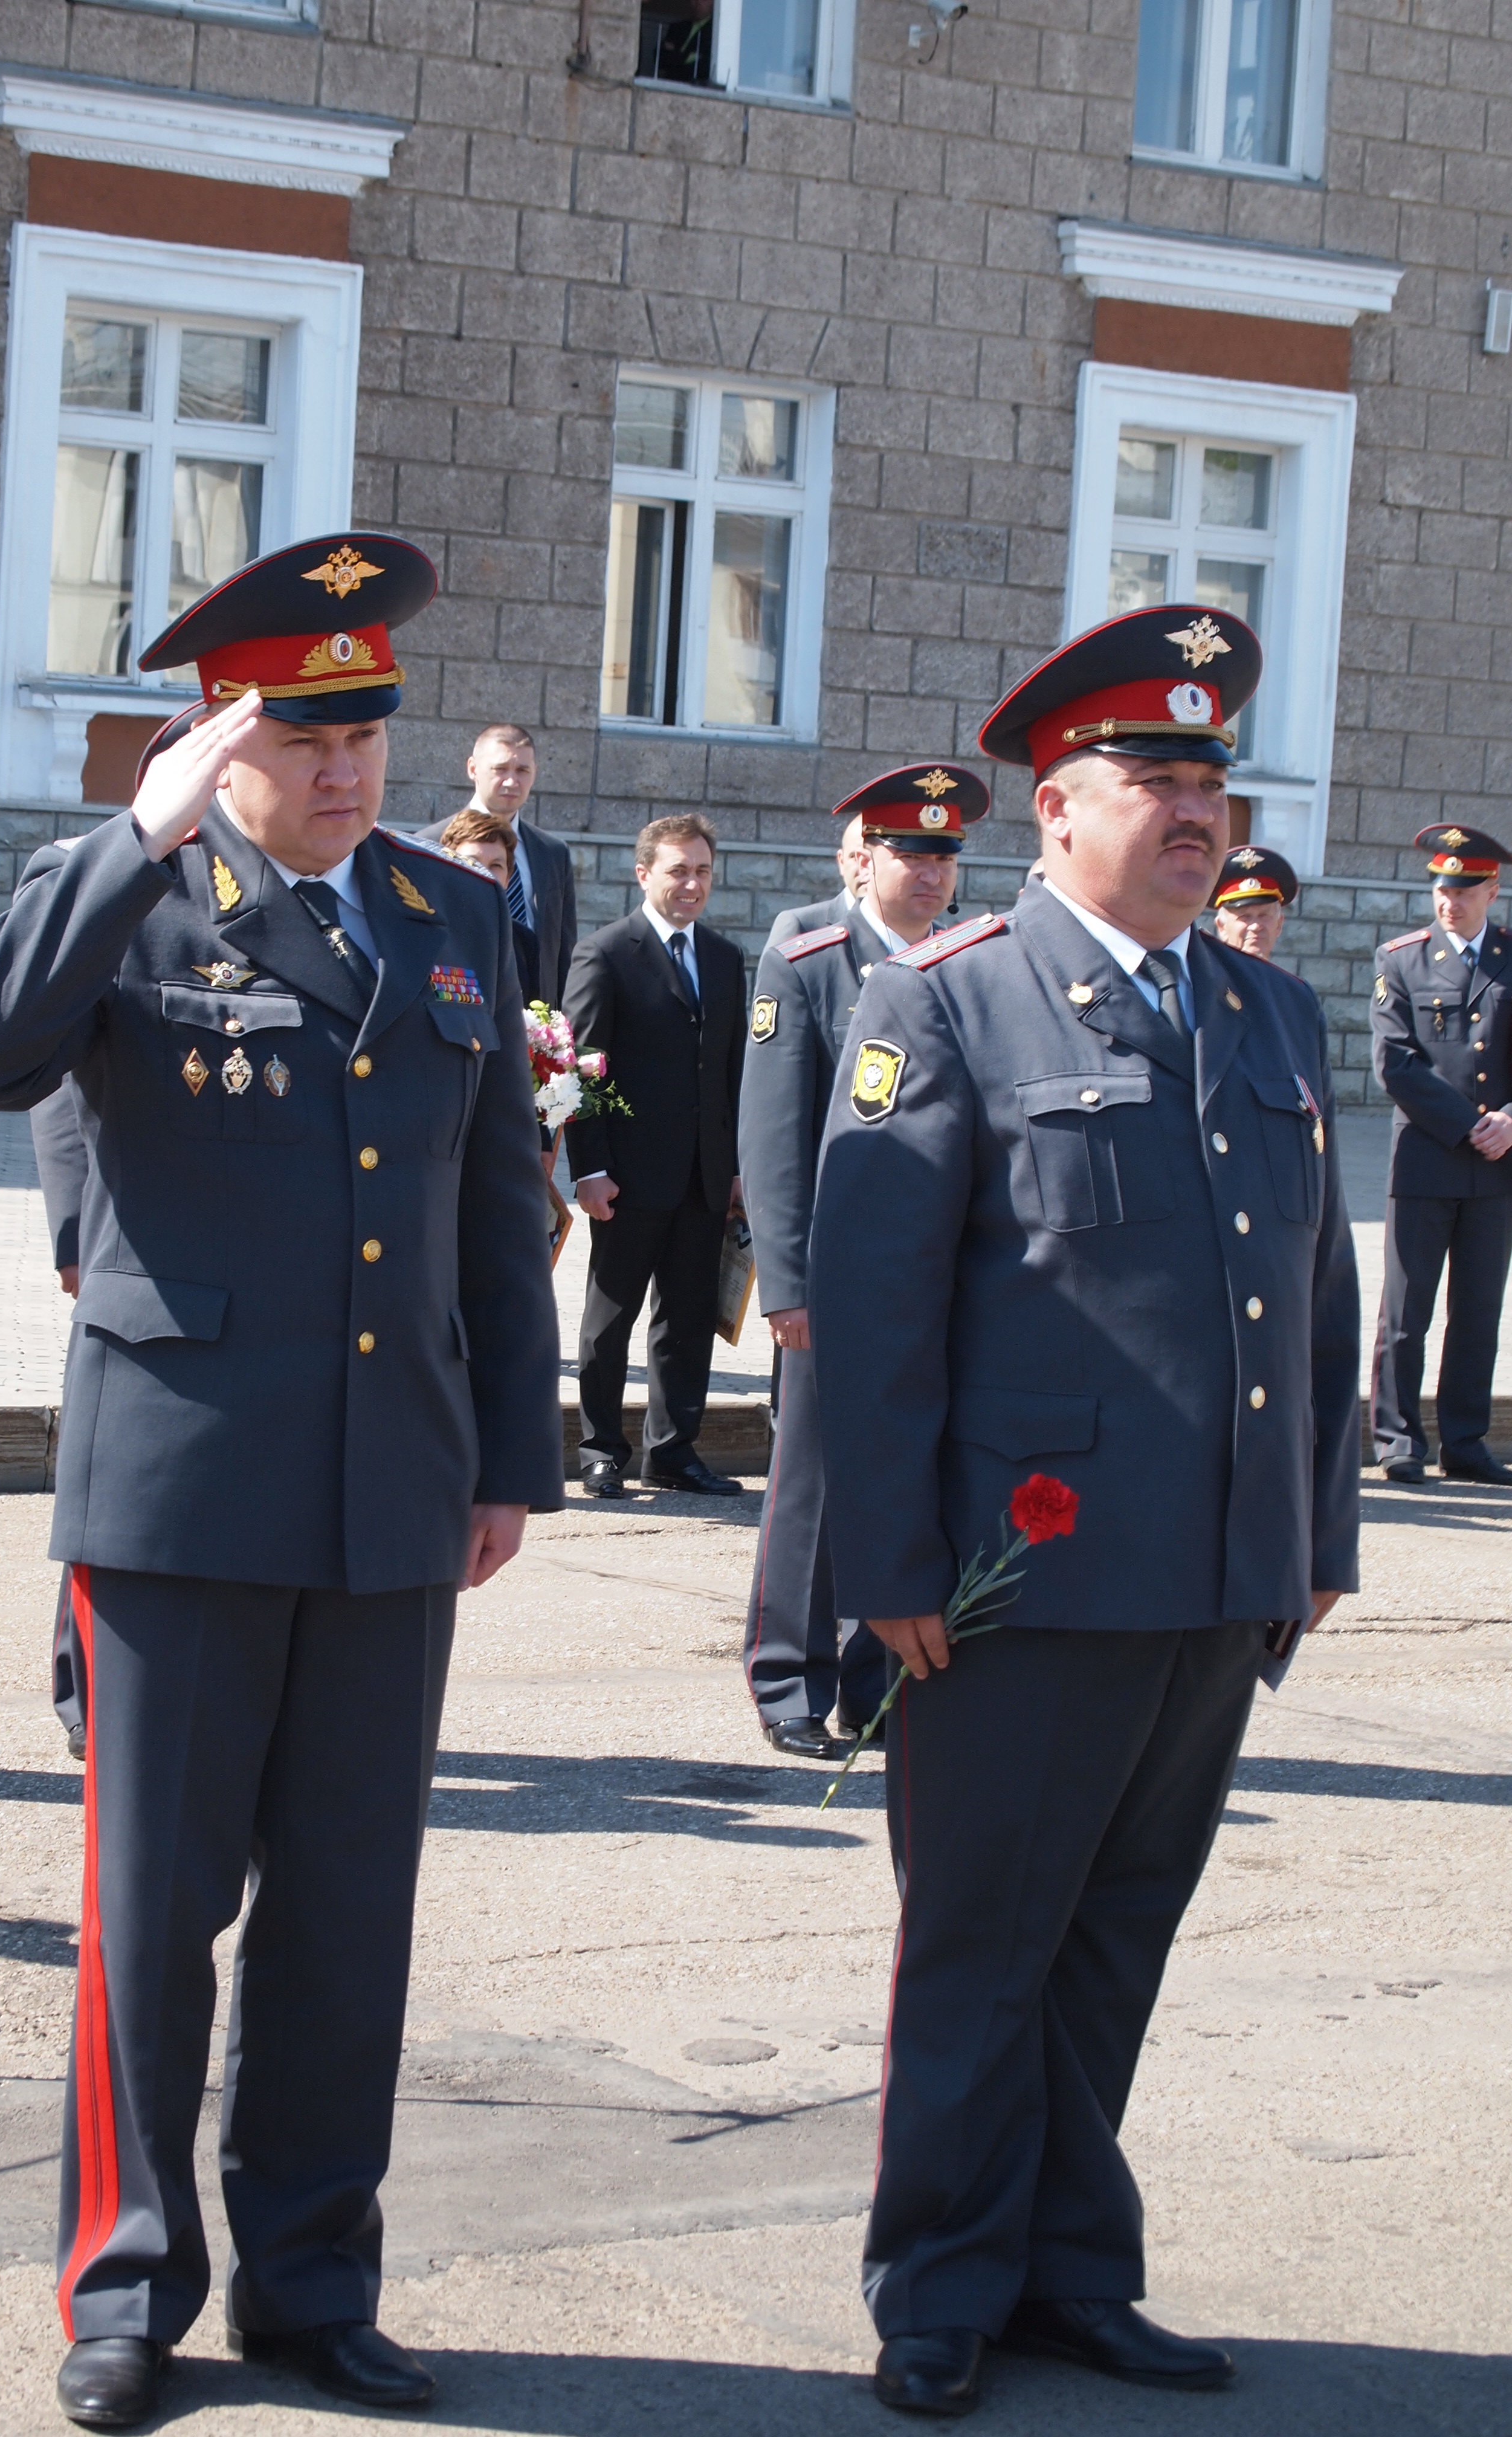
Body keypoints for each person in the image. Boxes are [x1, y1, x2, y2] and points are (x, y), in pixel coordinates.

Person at [0, 534, 564, 2432]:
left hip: (392, 1494)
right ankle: (125, 2289)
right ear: (221, 732)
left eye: (367, 726)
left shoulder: (451, 914)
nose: (345, 766)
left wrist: (509, 1458)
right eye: (300, 729)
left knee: (349, 1916)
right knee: (153, 1914)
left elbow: (490, 1209)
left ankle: (314, 2282)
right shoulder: (127, 897)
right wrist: (129, 842)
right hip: (181, 1495)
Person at [811, 604, 1360, 2419]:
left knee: (1117, 1942)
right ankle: (942, 2284)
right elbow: (872, 1316)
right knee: (986, 1946)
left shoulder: (1267, 1003)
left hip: (1214, 1573)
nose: (1196, 812)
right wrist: (883, 1565)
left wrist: (1316, 1535)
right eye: (1156, 777)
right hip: (1019, 1578)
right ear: (1058, 804)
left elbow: (1314, 1291)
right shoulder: (948, 997)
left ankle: (1067, 2269)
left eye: (1212, 780)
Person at [740, 764, 988, 1761]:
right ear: (865, 857)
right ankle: (787, 1683)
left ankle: (876, 1684)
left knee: (909, 1479)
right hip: (836, 1284)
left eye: (944, 856)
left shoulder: (973, 961)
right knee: (814, 1484)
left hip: (937, 1279)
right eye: (911, 854)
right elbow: (773, 1137)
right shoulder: (808, 961)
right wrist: (788, 1284)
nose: (930, 875)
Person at [564, 815, 747, 1498]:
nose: (692, 883)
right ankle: (600, 1450)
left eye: (702, 870)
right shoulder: (607, 953)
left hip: (703, 1179)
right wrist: (589, 1169)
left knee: (689, 1318)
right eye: (678, 870)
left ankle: (673, 1450)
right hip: (628, 1178)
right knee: (610, 1320)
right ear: (643, 874)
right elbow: (584, 1072)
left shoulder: (726, 959)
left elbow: (732, 1074)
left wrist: (735, 1166)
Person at [1369, 823, 1512, 1486]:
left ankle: (1465, 1441)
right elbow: (1395, 1063)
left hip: (1499, 1167)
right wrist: (1469, 1126)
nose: (1448, 900)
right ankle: (1398, 1439)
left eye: (1463, 889)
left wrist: (1508, 1122)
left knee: (1478, 1314)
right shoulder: (1401, 958)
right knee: (1407, 1313)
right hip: (1427, 1159)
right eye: (1440, 887)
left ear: (1492, 888)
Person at [418, 722, 578, 1006]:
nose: (511, 782)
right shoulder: (426, 846)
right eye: (500, 769)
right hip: (454, 1008)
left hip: (535, 1021)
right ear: (473, 769)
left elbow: (563, 952)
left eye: (522, 771)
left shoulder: (553, 853)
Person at [30, 1078, 91, 1760]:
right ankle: (89, 1691)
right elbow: (56, 1076)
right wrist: (74, 1227)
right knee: (109, 1492)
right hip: (138, 1245)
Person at [437, 808, 538, 997]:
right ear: (446, 868)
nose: (484, 874)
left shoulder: (524, 942)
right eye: (471, 862)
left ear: (508, 878)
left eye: (496, 866)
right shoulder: (427, 934)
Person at [768, 811, 869, 946]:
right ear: (841, 862)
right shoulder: (800, 926)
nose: (865, 868)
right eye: (854, 857)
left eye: (872, 858)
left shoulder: (903, 925)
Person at [1210, 844, 1297, 960]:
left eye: (1264, 915)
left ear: (1279, 924)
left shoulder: (1284, 979)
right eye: (1245, 917)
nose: (1256, 926)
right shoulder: (1199, 978)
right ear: (1222, 927)